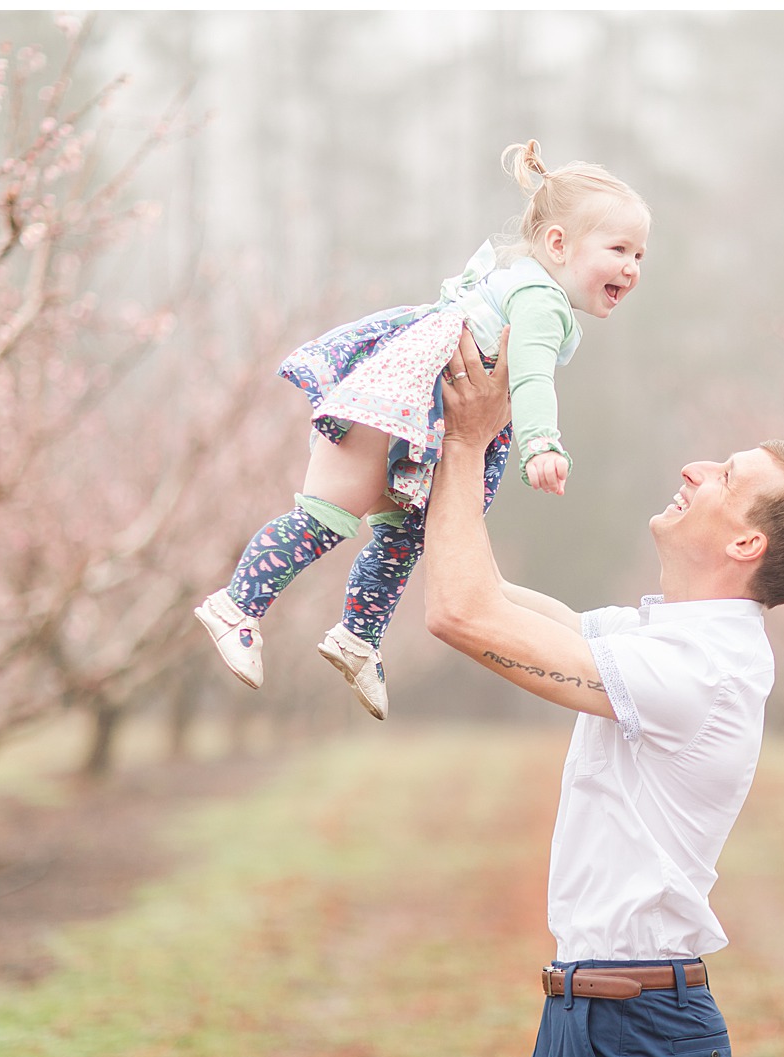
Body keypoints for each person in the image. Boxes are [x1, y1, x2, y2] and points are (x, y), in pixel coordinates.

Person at [423, 328, 784, 1057]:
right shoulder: (663, 639)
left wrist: (466, 444)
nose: (693, 468)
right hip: (587, 1010)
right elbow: (484, 593)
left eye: (724, 475)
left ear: (748, 544)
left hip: (638, 1030)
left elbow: (461, 616)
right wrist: (425, 475)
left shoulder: (698, 670)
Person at [195, 140, 650, 720]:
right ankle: (237, 606)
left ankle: (359, 638)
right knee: (328, 516)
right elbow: (533, 378)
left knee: (403, 534)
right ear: (558, 244)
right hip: (398, 411)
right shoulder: (542, 301)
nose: (632, 267)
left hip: (416, 420)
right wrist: (541, 445)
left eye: (640, 254)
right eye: (619, 250)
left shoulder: (521, 285)